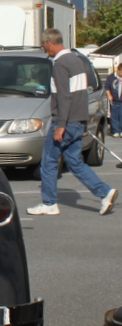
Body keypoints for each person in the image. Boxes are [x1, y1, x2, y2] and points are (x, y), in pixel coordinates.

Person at [27, 28, 118, 216]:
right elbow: (81, 95)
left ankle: (49, 202)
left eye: (45, 46)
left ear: (49, 43)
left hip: (65, 122)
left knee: (49, 162)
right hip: (77, 120)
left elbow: (63, 97)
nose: (45, 50)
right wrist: (82, 122)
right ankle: (104, 192)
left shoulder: (60, 64)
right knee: (75, 161)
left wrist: (60, 125)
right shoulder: (77, 61)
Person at [104, 63, 122, 137]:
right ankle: (116, 131)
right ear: (118, 70)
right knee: (114, 116)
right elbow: (107, 87)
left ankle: (121, 130)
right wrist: (109, 95)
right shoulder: (111, 77)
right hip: (114, 100)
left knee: (121, 115)